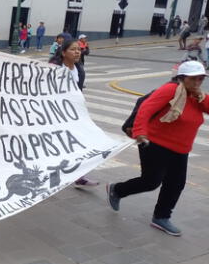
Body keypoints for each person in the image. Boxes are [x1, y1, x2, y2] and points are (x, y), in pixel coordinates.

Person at [107, 61, 209, 236]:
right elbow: (145, 109)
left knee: (176, 184)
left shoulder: (196, 96)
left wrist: (202, 97)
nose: (198, 82)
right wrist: (140, 132)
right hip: (155, 143)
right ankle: (117, 190)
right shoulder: (171, 90)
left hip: (181, 148)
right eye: (194, 78)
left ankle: (161, 217)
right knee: (151, 182)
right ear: (183, 78)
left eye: (201, 78)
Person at [49, 39, 98, 188]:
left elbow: (78, 91)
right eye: (73, 49)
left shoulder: (79, 69)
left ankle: (79, 175)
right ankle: (53, 175)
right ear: (63, 52)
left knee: (77, 143)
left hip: (71, 114)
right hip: (53, 113)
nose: (77, 52)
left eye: (78, 49)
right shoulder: (53, 67)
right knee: (55, 145)